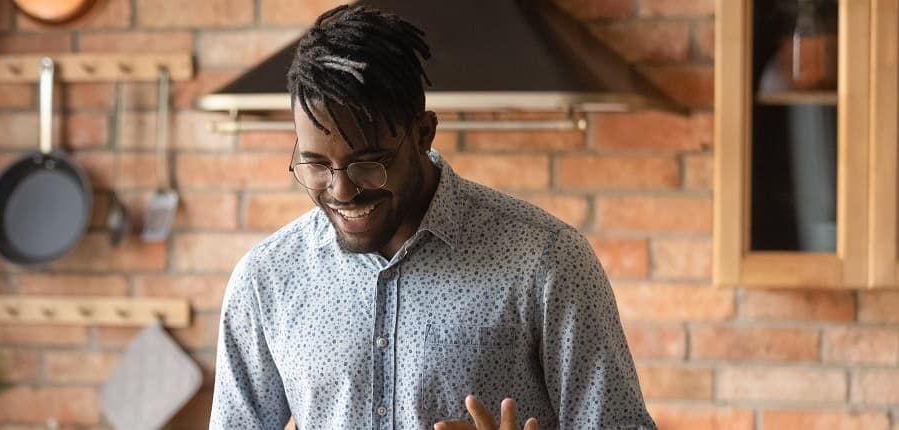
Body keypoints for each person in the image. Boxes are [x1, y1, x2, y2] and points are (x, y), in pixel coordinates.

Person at [209, 5, 657, 430]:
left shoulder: (547, 261)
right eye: (317, 166)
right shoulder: (267, 278)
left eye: (370, 163)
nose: (342, 191)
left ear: (424, 133)